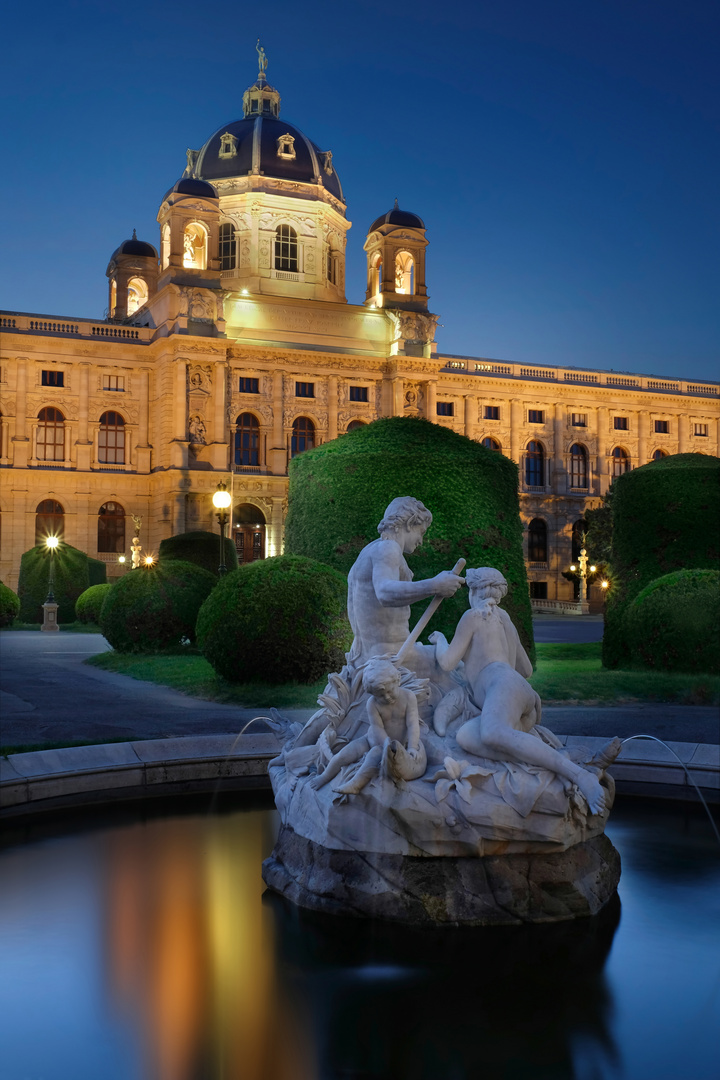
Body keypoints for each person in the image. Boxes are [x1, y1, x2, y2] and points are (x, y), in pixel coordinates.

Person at [429, 567, 609, 815]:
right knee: (466, 737)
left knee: (491, 733)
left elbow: (447, 663)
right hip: (523, 698)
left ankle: (580, 776)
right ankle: (556, 764)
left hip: (503, 688)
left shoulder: (472, 616)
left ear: (474, 591)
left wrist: (441, 641)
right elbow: (525, 669)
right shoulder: (505, 619)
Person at [346, 497, 464, 676]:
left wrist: (437, 584)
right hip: (392, 656)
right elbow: (385, 593)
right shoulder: (388, 549)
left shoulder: (371, 550)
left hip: (373, 654)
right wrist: (435, 585)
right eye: (421, 532)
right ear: (409, 524)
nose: (421, 541)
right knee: (457, 668)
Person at [310, 658, 426, 795]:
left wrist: (412, 747)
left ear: (398, 680)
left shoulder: (408, 697)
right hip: (372, 739)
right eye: (380, 695)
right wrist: (385, 744)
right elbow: (377, 728)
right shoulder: (372, 703)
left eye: (390, 691)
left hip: (399, 744)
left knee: (374, 754)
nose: (387, 697)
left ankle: (355, 784)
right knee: (343, 755)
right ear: (372, 694)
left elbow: (412, 724)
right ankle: (324, 776)